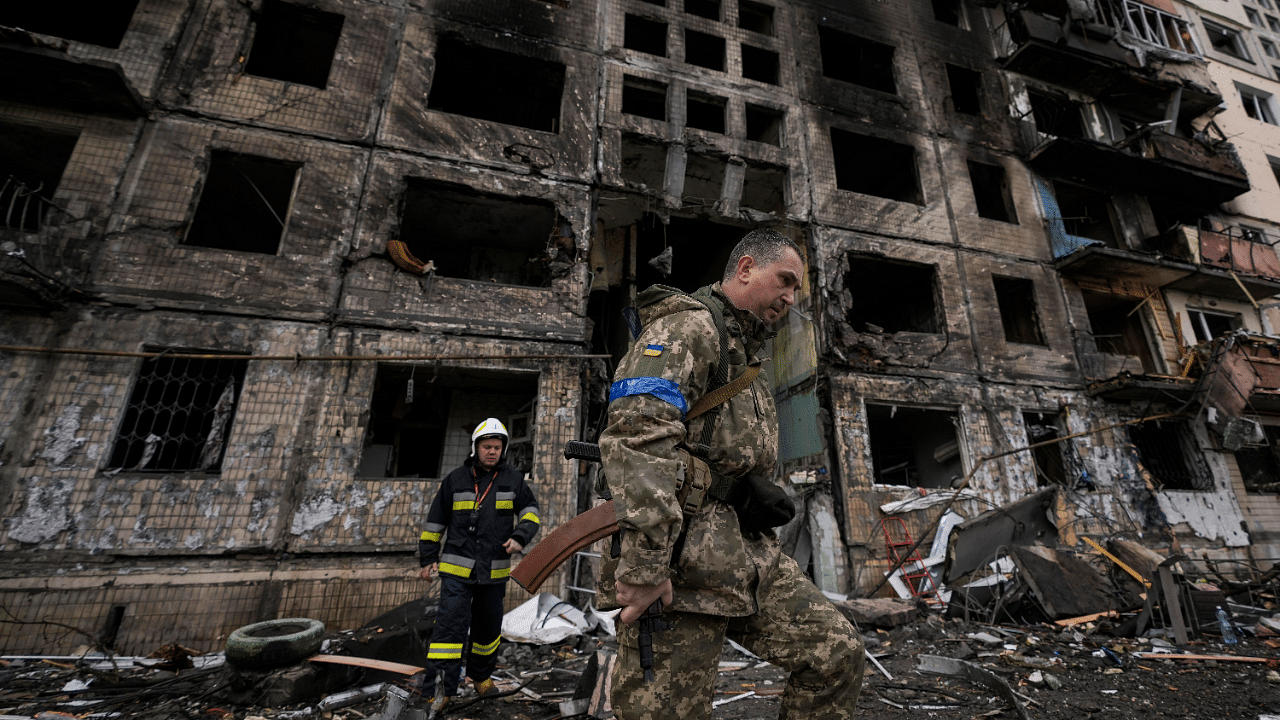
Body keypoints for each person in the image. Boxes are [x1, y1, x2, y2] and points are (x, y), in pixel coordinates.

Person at [597, 228, 865, 720]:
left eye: (795, 289)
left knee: (836, 653)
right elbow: (637, 442)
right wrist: (644, 569)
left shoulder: (747, 355)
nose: (790, 297)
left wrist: (748, 489)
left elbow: (717, 452)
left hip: (745, 559)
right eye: (784, 281)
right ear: (745, 269)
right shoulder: (688, 330)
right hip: (680, 566)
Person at [414, 417, 541, 710]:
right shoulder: (455, 480)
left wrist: (521, 536)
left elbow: (531, 512)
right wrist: (427, 559)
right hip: (456, 572)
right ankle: (440, 690)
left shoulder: (513, 480)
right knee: (448, 633)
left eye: (497, 447)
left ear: (503, 449)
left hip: (494, 572)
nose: (492, 452)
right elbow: (435, 523)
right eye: (487, 446)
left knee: (487, 631)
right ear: (475, 448)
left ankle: (482, 679)